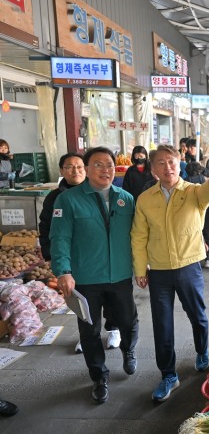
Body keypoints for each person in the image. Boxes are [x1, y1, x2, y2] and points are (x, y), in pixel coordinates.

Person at [131, 145, 209, 402]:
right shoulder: (145, 199)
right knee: (162, 324)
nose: (167, 167)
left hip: (188, 265)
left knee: (197, 314)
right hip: (159, 270)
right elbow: (139, 236)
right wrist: (140, 268)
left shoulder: (193, 191)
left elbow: (207, 194)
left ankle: (201, 350)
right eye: (160, 163)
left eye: (171, 161)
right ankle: (168, 375)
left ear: (179, 163)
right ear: (153, 169)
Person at [50, 147, 139, 404]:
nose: (105, 169)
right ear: (87, 169)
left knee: (128, 321)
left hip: (120, 275)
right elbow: (59, 237)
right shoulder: (68, 200)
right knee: (89, 330)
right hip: (86, 277)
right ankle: (99, 376)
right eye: (98, 164)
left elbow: (139, 235)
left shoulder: (126, 198)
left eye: (109, 164)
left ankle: (128, 350)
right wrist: (63, 271)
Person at [39, 153, 123, 353]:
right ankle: (87, 336)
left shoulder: (100, 190)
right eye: (69, 167)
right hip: (75, 259)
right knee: (83, 300)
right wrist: (53, 259)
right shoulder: (55, 197)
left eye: (78, 166)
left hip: (103, 255)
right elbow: (47, 228)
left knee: (111, 297)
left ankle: (113, 328)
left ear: (85, 169)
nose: (75, 171)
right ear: (62, 170)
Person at [185, 162, 209, 269]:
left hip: (191, 215)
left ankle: (194, 259)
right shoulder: (205, 181)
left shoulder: (185, 182)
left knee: (193, 236)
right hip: (207, 213)